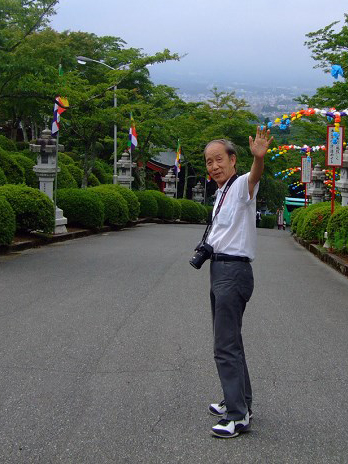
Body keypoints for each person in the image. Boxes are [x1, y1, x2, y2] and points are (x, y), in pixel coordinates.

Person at [204, 127, 273, 438]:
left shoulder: (242, 184)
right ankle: (240, 400)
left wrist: (258, 159)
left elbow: (254, 176)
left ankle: (237, 416)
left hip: (233, 272)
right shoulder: (221, 192)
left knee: (225, 345)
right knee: (232, 341)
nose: (214, 166)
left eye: (219, 159)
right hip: (220, 270)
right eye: (208, 162)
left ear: (233, 160)